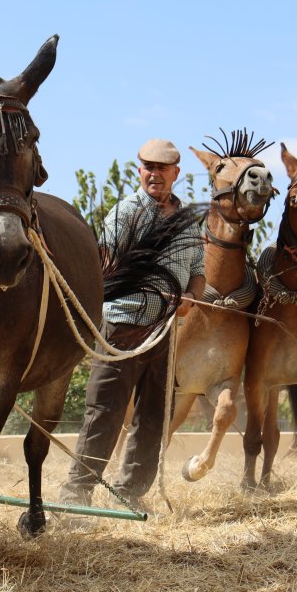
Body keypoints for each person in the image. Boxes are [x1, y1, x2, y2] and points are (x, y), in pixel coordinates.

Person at [59, 138, 206, 509]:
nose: (154, 174)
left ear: (176, 174)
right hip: (123, 326)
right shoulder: (126, 212)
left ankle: (130, 494)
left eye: (162, 169)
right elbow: (104, 267)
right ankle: (77, 493)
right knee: (104, 411)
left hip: (165, 330)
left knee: (154, 415)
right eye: (148, 167)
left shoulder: (190, 222)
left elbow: (198, 272)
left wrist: (192, 295)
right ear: (139, 170)